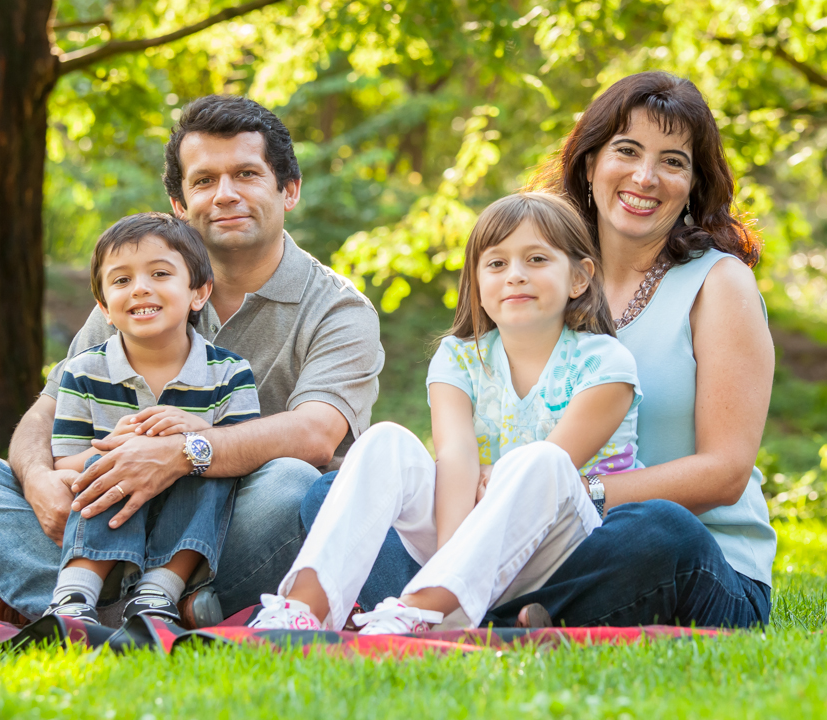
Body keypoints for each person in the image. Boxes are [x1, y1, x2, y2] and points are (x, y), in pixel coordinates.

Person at [303, 71, 776, 629]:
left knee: (661, 530)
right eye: (627, 151)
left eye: (673, 161)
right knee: (333, 491)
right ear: (590, 162)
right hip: (521, 540)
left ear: (694, 183)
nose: (646, 177)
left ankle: (454, 612)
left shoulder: (718, 284)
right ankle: (467, 610)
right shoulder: (539, 270)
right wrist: (482, 493)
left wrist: (570, 490)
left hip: (675, 553)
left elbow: (724, 473)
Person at [0, 95, 384, 628]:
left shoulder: (339, 308)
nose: (226, 194)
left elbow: (315, 435)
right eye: (205, 180)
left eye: (247, 174)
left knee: (294, 485)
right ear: (180, 203)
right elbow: (49, 409)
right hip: (110, 512)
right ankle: (159, 609)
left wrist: (182, 454)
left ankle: (81, 603)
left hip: (232, 521)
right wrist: (37, 479)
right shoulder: (140, 290)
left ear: (289, 189)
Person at [248, 192, 645, 633]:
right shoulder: (458, 357)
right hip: (470, 540)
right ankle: (305, 611)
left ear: (579, 278)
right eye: (496, 264)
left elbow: (554, 470)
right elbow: (456, 457)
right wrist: (453, 558)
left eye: (536, 259)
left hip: (565, 548)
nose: (515, 276)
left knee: (541, 461)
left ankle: (424, 611)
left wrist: (490, 488)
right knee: (386, 440)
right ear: (476, 281)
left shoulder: (605, 363)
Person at [45, 212, 261, 625]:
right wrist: (116, 448)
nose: (140, 288)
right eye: (122, 280)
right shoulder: (83, 372)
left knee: (211, 461)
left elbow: (245, 458)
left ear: (199, 293)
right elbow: (64, 464)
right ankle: (76, 592)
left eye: (160, 274)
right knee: (104, 465)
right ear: (104, 307)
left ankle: (159, 591)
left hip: (193, 520)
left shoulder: (230, 373)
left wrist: (199, 435)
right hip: (109, 513)